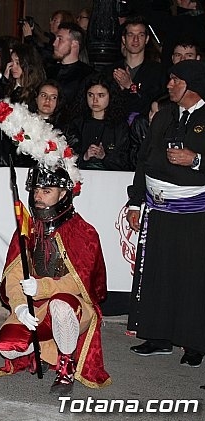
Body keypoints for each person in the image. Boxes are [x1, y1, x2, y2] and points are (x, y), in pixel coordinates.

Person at [0, 164, 111, 395]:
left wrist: (43, 286)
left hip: (72, 307)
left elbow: (82, 283)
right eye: (36, 190)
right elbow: (14, 276)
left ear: (64, 193)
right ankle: (46, 351)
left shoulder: (83, 232)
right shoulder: (28, 228)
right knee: (7, 347)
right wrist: (19, 307)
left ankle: (66, 363)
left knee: (61, 305)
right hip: (35, 308)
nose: (38, 196)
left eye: (47, 191)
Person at [127, 59, 205, 368]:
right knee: (159, 272)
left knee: (191, 277)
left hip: (194, 212)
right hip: (158, 209)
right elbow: (143, 161)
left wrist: (196, 160)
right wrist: (136, 202)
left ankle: (194, 342)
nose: (169, 84)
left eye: (175, 80)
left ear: (192, 84)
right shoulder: (164, 116)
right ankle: (158, 336)